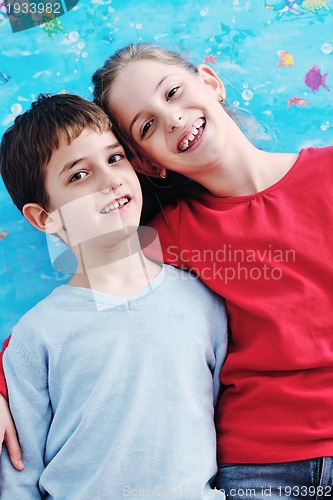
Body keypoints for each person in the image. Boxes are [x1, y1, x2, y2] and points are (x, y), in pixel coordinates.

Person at [89, 43, 333, 497]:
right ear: (147, 163)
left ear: (211, 83)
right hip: (264, 468)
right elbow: (82, 303)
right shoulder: (174, 231)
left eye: (174, 92)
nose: (173, 118)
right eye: (147, 126)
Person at [0, 93, 228, 498]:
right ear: (44, 217)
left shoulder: (204, 301)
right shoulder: (37, 336)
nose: (110, 180)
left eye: (115, 158)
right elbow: (19, 471)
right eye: (78, 175)